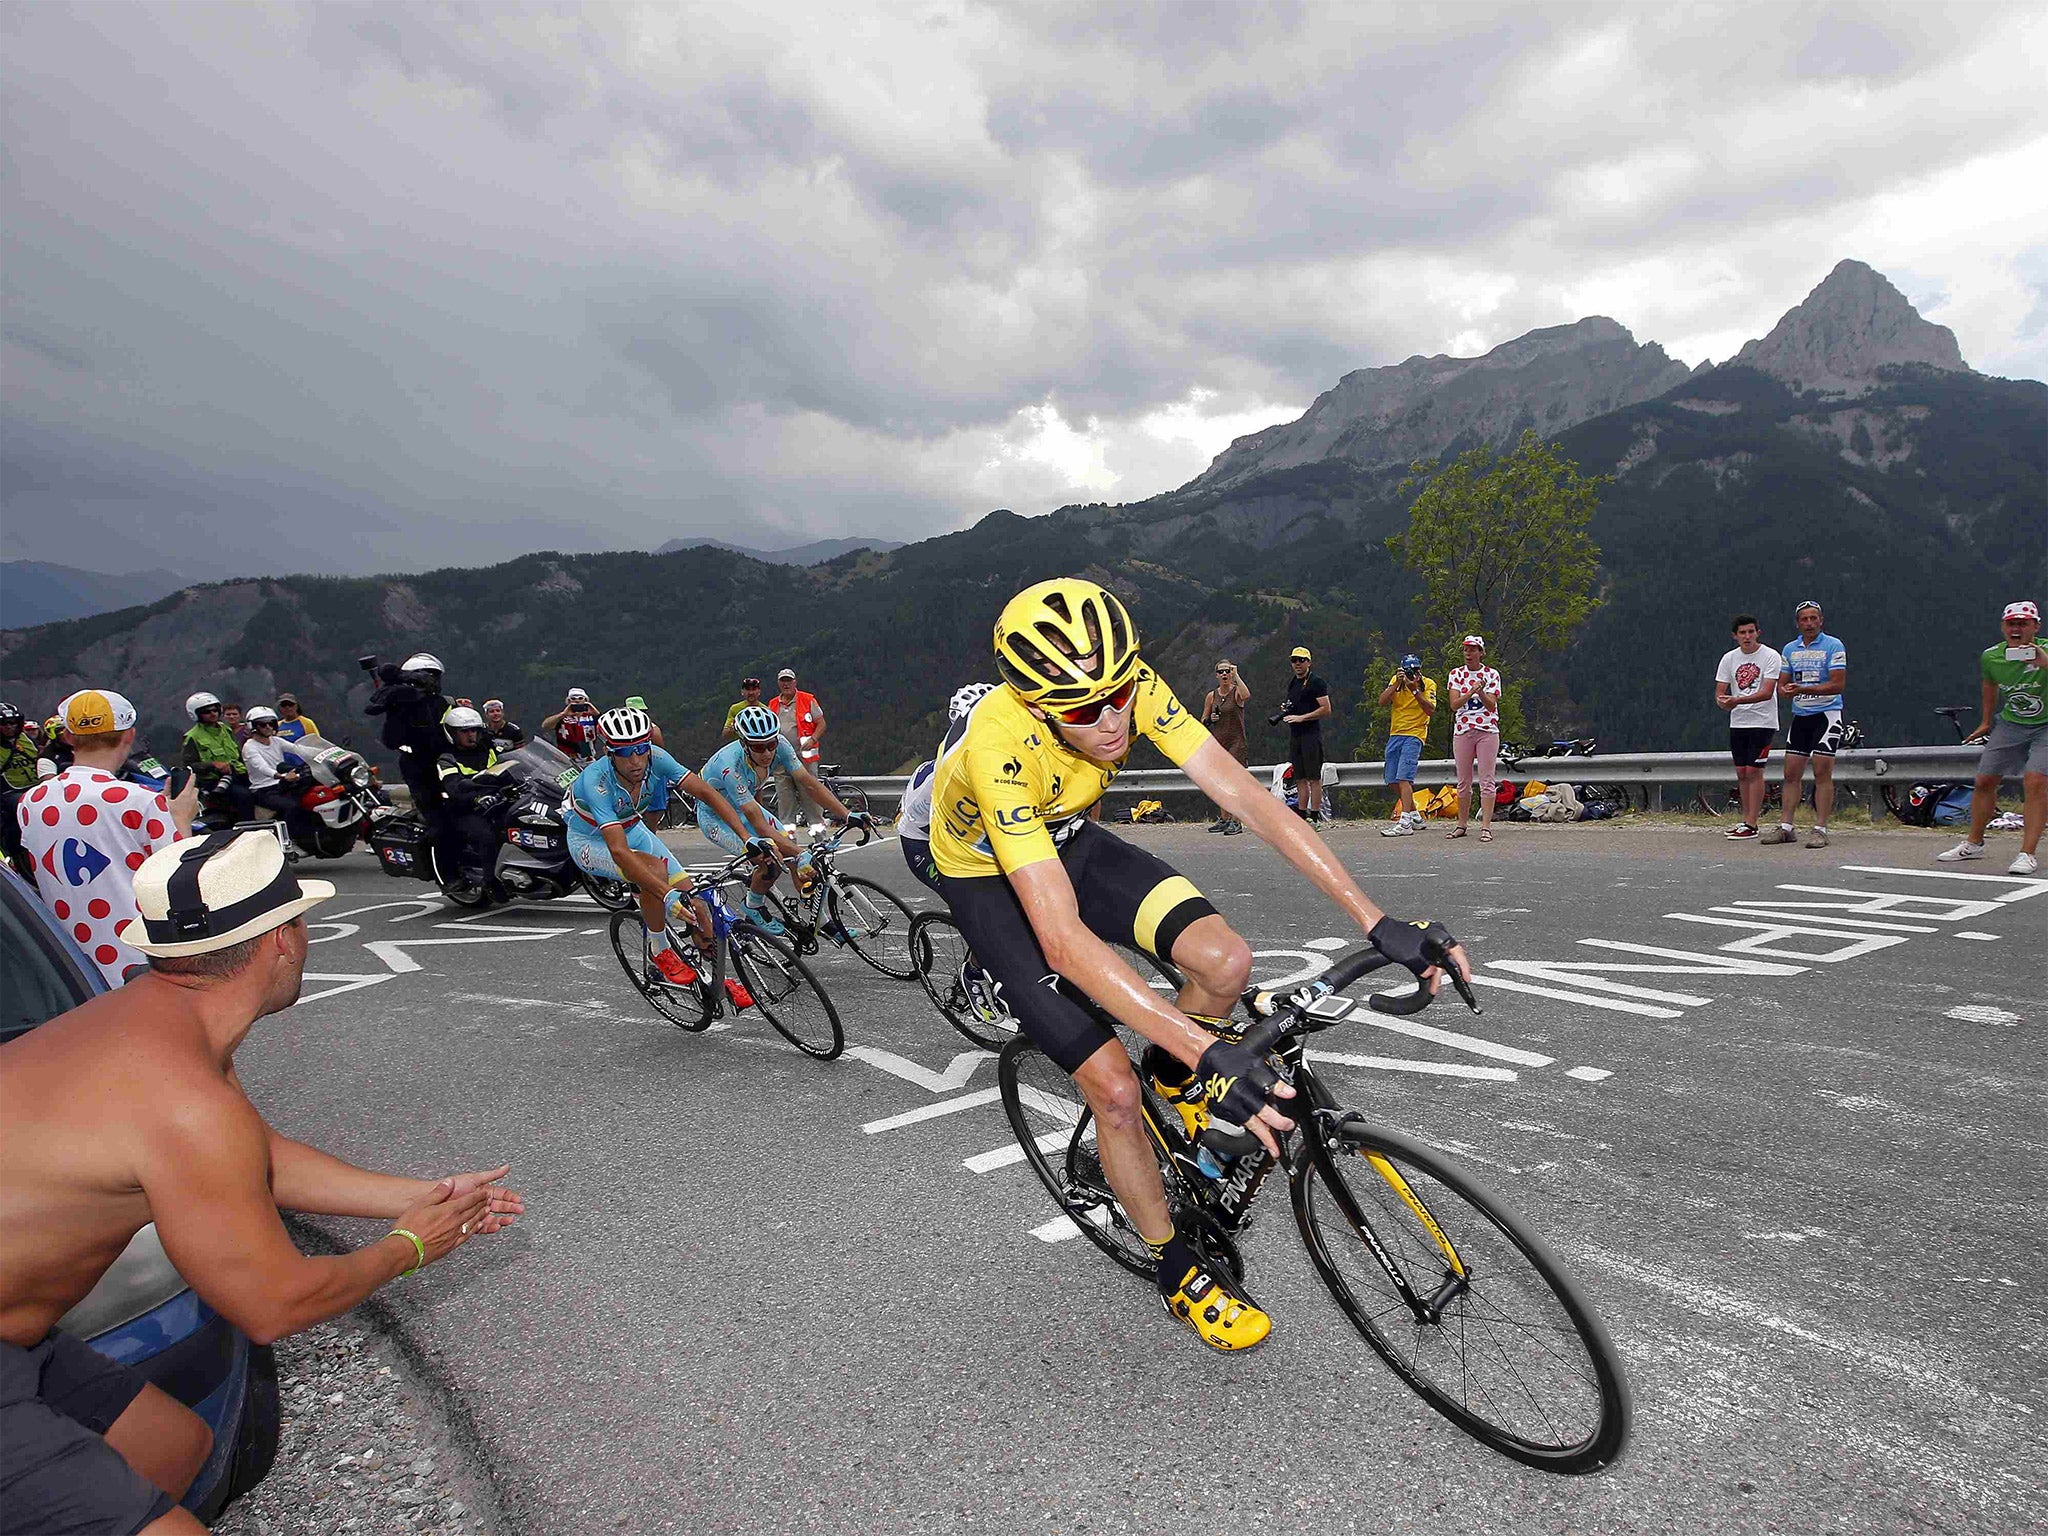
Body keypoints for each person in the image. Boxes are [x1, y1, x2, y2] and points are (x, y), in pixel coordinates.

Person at [927, 578, 1470, 1352]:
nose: (1113, 720)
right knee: (1112, 1087)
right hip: (983, 874)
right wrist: (1212, 1050)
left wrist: (1374, 917)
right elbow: (1063, 941)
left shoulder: (1128, 690)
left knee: (1224, 961)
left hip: (1064, 839)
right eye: (1084, 710)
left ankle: (1177, 1087)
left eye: (1119, 694)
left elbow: (1251, 801)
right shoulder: (998, 743)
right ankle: (1176, 1266)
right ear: (1040, 704)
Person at [0, 831, 521, 1536]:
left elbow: (254, 1157)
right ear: (283, 938)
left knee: (172, 1447)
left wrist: (415, 1195)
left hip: (20, 1339)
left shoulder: (147, 1028)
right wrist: (410, 1245)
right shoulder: (184, 1097)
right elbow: (273, 1304)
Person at [565, 706, 754, 1005]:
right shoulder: (595, 780)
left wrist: (748, 838)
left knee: (698, 905)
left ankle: (715, 979)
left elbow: (707, 793)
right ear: (608, 752)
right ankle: (659, 948)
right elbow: (618, 850)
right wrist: (665, 894)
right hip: (590, 841)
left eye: (642, 749)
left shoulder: (658, 758)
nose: (636, 760)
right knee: (654, 873)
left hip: (633, 828)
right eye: (625, 753)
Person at [15, 689, 199, 986]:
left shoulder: (30, 802)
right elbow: (179, 877)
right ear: (128, 735)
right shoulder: (140, 801)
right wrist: (179, 817)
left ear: (69, 737)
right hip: (140, 961)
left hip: (73, 966)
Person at [697, 705, 862, 935]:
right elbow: (759, 824)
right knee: (770, 859)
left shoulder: (781, 745)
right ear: (744, 743)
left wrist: (846, 814)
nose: (766, 752)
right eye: (758, 747)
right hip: (717, 819)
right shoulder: (730, 767)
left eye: (770, 744)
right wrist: (798, 852)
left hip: (746, 807)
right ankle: (753, 905)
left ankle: (821, 923)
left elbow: (809, 783)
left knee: (794, 857)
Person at [1938, 600, 2046, 875]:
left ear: (2036, 626)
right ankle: (1974, 843)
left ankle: (2027, 853)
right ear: (2003, 627)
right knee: (1985, 779)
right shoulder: (1992, 656)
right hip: (2012, 723)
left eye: (2023, 623)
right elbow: (1989, 684)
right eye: (2011, 624)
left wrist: (2044, 663)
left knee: (2035, 782)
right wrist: (1986, 721)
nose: (2017, 629)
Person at [1763, 600, 1848, 848]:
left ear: (1821, 621)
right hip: (1801, 716)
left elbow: (1837, 684)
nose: (1809, 623)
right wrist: (1785, 690)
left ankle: (1820, 829)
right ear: (1798, 623)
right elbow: (1783, 682)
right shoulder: (1789, 649)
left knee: (1822, 772)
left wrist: (1804, 689)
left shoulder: (1834, 645)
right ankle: (1787, 827)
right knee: (1791, 773)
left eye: (1813, 618)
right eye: (1804, 619)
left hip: (1827, 715)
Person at [364, 653, 452, 834]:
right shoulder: (400, 700)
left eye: (434, 675)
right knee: (431, 811)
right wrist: (392, 695)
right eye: (426, 675)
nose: (431, 680)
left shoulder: (443, 702)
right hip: (416, 762)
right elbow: (372, 709)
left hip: (444, 760)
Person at [1715, 615, 1783, 841]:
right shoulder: (1728, 659)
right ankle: (1746, 820)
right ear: (1735, 636)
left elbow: (1767, 692)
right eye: (1742, 633)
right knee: (1742, 772)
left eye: (1751, 632)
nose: (1747, 637)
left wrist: (1736, 701)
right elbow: (1720, 692)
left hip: (1763, 721)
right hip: (1738, 722)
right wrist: (1724, 702)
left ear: (1758, 633)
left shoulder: (1770, 656)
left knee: (1755, 771)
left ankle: (1752, 823)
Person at [432, 707, 512, 895]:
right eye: (465, 731)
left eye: (474, 730)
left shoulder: (489, 749)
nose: (471, 735)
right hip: (465, 808)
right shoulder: (447, 758)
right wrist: (477, 797)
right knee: (486, 835)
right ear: (452, 733)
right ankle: (490, 881)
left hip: (496, 801)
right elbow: (454, 787)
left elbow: (511, 763)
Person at [1446, 636, 1503, 843]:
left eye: (1472, 650)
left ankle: (1486, 827)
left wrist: (1481, 691)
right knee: (1463, 782)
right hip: (1463, 730)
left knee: (1487, 780)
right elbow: (1454, 704)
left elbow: (1491, 705)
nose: (1468, 654)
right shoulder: (1456, 674)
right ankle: (1462, 824)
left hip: (1487, 730)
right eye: (1465, 650)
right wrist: (1471, 691)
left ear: (1481, 652)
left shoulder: (1492, 674)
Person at [241, 706, 322, 849]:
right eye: (262, 724)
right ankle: (291, 841)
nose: (268, 727)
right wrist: (281, 775)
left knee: (313, 792)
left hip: (282, 784)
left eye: (271, 723)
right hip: (263, 789)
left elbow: (298, 749)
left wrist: (327, 753)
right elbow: (261, 767)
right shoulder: (250, 747)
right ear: (253, 726)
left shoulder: (276, 741)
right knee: (291, 806)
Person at [1376, 653, 1438, 837]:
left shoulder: (1428, 684)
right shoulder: (1396, 681)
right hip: (1396, 733)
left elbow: (1430, 710)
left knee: (1404, 777)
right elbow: (1382, 702)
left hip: (1415, 734)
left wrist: (1415, 690)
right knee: (1392, 780)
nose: (1413, 673)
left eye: (1416, 670)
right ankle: (1414, 815)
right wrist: (1397, 684)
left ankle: (1404, 823)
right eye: (1409, 670)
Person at [1277, 646, 1330, 826]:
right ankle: (1301, 813)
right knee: (1299, 776)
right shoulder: (1293, 682)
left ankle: (1314, 816)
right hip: (1296, 735)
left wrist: (1302, 718)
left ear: (1308, 662)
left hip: (1310, 734)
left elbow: (1326, 708)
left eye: (1301, 660)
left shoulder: (1317, 682)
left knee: (1313, 777)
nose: (1297, 664)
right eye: (1294, 660)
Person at [180, 692, 253, 821]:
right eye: (207, 712)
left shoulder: (226, 729)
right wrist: (213, 765)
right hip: (213, 782)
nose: (213, 713)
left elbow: (238, 753)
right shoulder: (192, 736)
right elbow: (189, 766)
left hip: (237, 774)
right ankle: (248, 829)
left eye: (215, 710)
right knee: (244, 796)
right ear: (196, 714)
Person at [770, 669, 828, 826]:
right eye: (783, 681)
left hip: (805, 759)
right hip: (781, 759)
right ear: (778, 683)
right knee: (785, 800)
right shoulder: (773, 704)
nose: (786, 684)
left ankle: (820, 839)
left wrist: (813, 738)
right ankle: (788, 841)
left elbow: (821, 724)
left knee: (810, 798)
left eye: (789, 680)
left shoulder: (807, 699)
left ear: (795, 682)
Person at [1201, 661, 1251, 834]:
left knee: (1235, 783)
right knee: (1221, 783)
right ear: (1216, 675)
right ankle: (1225, 818)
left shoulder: (1236, 692)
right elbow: (1203, 720)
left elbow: (1246, 696)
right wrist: (1210, 720)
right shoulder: (1211, 696)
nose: (1224, 674)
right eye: (1221, 672)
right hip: (1219, 742)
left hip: (1236, 742)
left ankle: (1237, 821)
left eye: (1227, 671)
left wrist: (1237, 676)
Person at [1, 700, 42, 874]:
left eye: (14, 723)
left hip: (36, 785)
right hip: (9, 791)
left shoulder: (27, 739)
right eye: (5, 724)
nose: (10, 727)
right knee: (20, 807)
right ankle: (17, 855)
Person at [542, 688, 600, 763]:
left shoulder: (592, 717)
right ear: (569, 701)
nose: (577, 700)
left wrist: (597, 713)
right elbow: (545, 725)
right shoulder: (562, 718)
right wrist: (563, 714)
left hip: (588, 760)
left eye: (580, 698)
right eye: (573, 698)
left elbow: (607, 727)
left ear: (585, 700)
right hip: (566, 761)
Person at [720, 677, 765, 742]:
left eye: (754, 689)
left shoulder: (765, 710)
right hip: (739, 746)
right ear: (742, 692)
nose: (751, 693)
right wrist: (732, 729)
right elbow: (725, 735)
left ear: (759, 692)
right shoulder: (735, 708)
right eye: (747, 689)